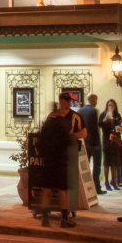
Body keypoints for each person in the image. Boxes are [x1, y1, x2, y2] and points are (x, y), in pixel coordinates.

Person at [54, 92, 86, 227]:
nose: (67, 102)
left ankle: (67, 212)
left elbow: (84, 133)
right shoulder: (53, 116)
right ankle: (64, 213)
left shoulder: (75, 116)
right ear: (60, 100)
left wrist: (71, 136)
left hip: (70, 153)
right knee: (61, 185)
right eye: (65, 100)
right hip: (56, 153)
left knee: (68, 184)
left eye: (69, 100)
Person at [76, 93, 103, 194]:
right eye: (96, 100)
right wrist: (98, 144)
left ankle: (84, 188)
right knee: (97, 165)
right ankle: (96, 186)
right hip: (94, 143)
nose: (96, 102)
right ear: (93, 99)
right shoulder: (93, 111)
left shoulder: (80, 111)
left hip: (83, 142)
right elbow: (94, 129)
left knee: (84, 167)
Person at [99, 99, 122, 192]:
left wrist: (120, 126)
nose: (111, 107)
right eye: (109, 105)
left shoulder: (117, 115)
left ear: (115, 106)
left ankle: (113, 181)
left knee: (114, 162)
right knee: (106, 163)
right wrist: (106, 119)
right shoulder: (103, 114)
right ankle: (106, 182)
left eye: (112, 105)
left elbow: (120, 126)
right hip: (107, 141)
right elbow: (100, 124)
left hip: (115, 141)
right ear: (107, 106)